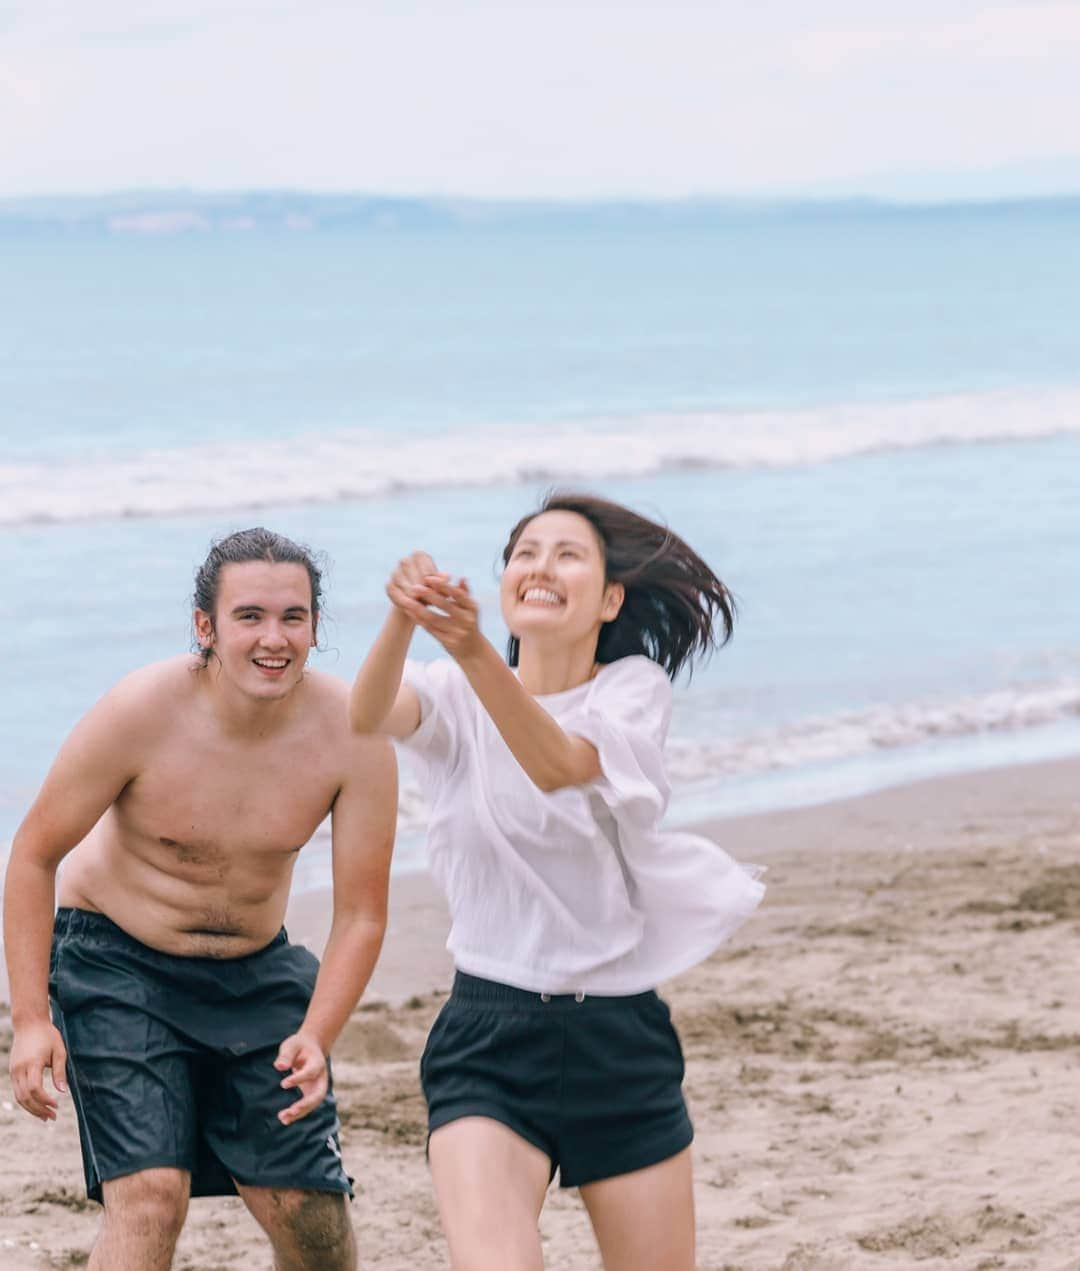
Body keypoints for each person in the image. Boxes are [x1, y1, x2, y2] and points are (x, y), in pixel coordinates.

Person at [349, 492, 764, 1271]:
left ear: (610, 598)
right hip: (487, 1035)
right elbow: (366, 714)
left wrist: (475, 651)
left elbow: (557, 764)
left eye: (568, 553)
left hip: (618, 1038)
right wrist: (403, 618)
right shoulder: (449, 692)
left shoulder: (632, 691)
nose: (541, 565)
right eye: (527, 551)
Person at [4, 528, 397, 1271]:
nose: (273, 638)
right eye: (249, 616)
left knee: (310, 1215)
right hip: (116, 962)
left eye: (294, 617)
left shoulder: (354, 733)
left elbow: (362, 914)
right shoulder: (141, 710)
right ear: (206, 626)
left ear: (316, 626)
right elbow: (32, 854)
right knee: (151, 1196)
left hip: (255, 970)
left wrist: (319, 1030)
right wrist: (30, 1018)